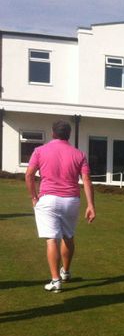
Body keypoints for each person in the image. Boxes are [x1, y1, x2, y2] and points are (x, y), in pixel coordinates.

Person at [24, 120, 96, 293]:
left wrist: (33, 197)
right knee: (68, 237)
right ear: (69, 134)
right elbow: (86, 180)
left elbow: (29, 175)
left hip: (48, 199)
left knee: (52, 240)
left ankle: (56, 280)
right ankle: (66, 272)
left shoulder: (39, 151)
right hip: (71, 200)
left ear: (53, 133)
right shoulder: (79, 154)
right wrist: (91, 205)